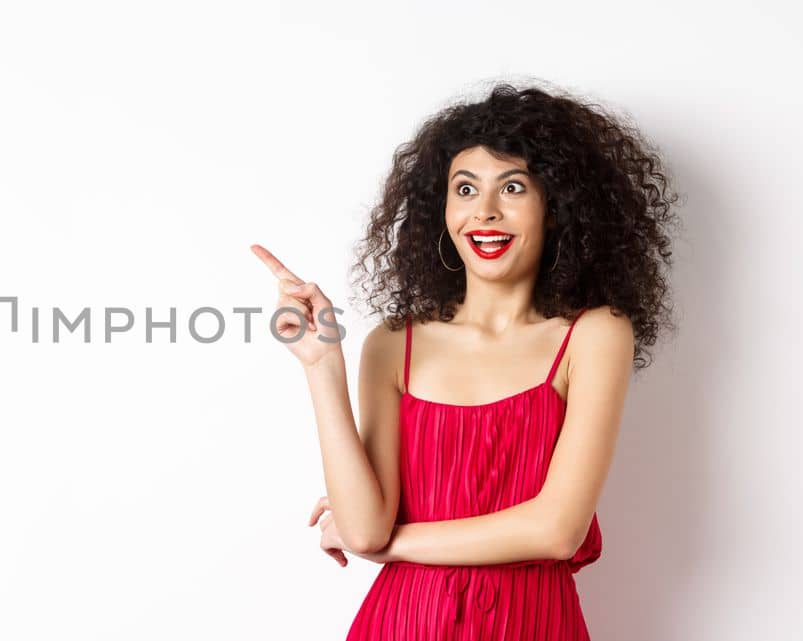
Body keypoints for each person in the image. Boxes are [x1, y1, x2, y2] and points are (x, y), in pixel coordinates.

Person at [251, 82, 679, 639]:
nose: (486, 212)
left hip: (531, 623)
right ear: (442, 209)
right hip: (403, 622)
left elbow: (556, 531)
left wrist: (389, 546)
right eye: (466, 188)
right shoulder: (392, 343)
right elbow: (364, 526)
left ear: (557, 208)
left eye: (514, 187)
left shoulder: (594, 335)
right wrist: (320, 364)